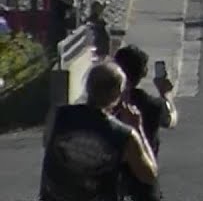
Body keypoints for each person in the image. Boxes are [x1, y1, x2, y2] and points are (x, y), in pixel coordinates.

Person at [40, 61, 158, 201]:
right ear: (117, 92)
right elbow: (149, 175)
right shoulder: (123, 134)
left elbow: (47, 143)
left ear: (88, 86)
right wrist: (138, 128)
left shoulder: (58, 114)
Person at [114, 45, 177, 201]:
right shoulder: (151, 104)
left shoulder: (105, 102)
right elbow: (170, 120)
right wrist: (166, 94)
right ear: (144, 73)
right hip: (143, 182)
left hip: (110, 181)